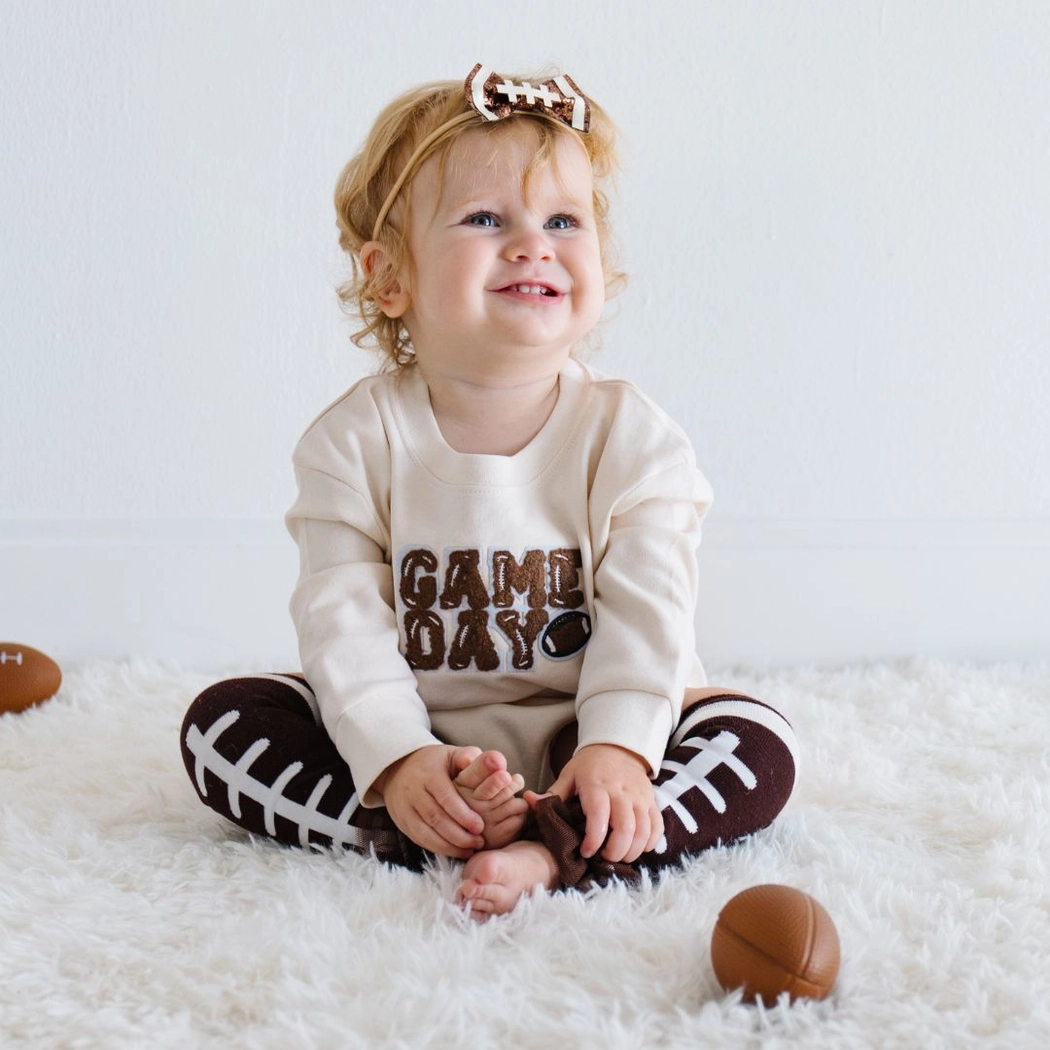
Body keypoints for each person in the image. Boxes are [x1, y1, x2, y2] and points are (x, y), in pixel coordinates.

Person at [180, 65, 799, 919]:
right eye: (484, 219)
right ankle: (416, 823)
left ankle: (562, 843)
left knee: (760, 742)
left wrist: (620, 749)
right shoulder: (352, 443)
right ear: (390, 277)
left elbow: (648, 617)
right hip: (428, 736)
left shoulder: (632, 437)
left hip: (590, 734)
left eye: (563, 221)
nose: (533, 244)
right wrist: (399, 759)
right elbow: (342, 623)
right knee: (223, 726)